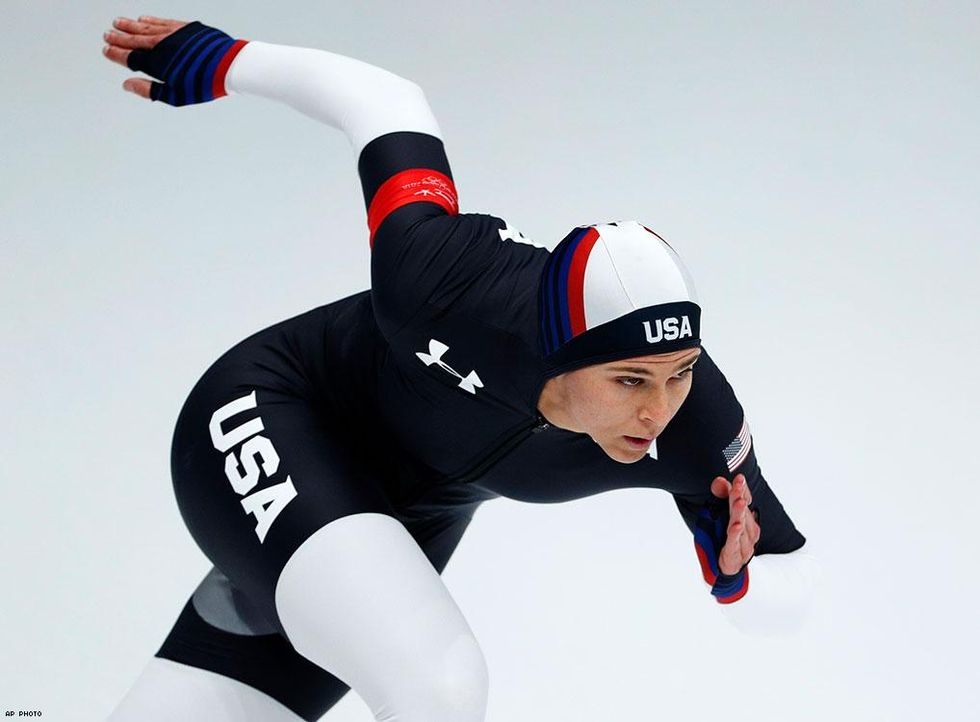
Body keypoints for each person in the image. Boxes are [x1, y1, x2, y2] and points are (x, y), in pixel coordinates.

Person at [102, 16, 818, 722]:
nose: (658, 411)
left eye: (680, 372)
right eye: (630, 380)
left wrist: (737, 579)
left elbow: (787, 594)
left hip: (412, 513)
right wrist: (228, 60)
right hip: (277, 408)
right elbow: (384, 98)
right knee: (438, 687)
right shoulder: (443, 280)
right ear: (557, 352)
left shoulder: (697, 423)